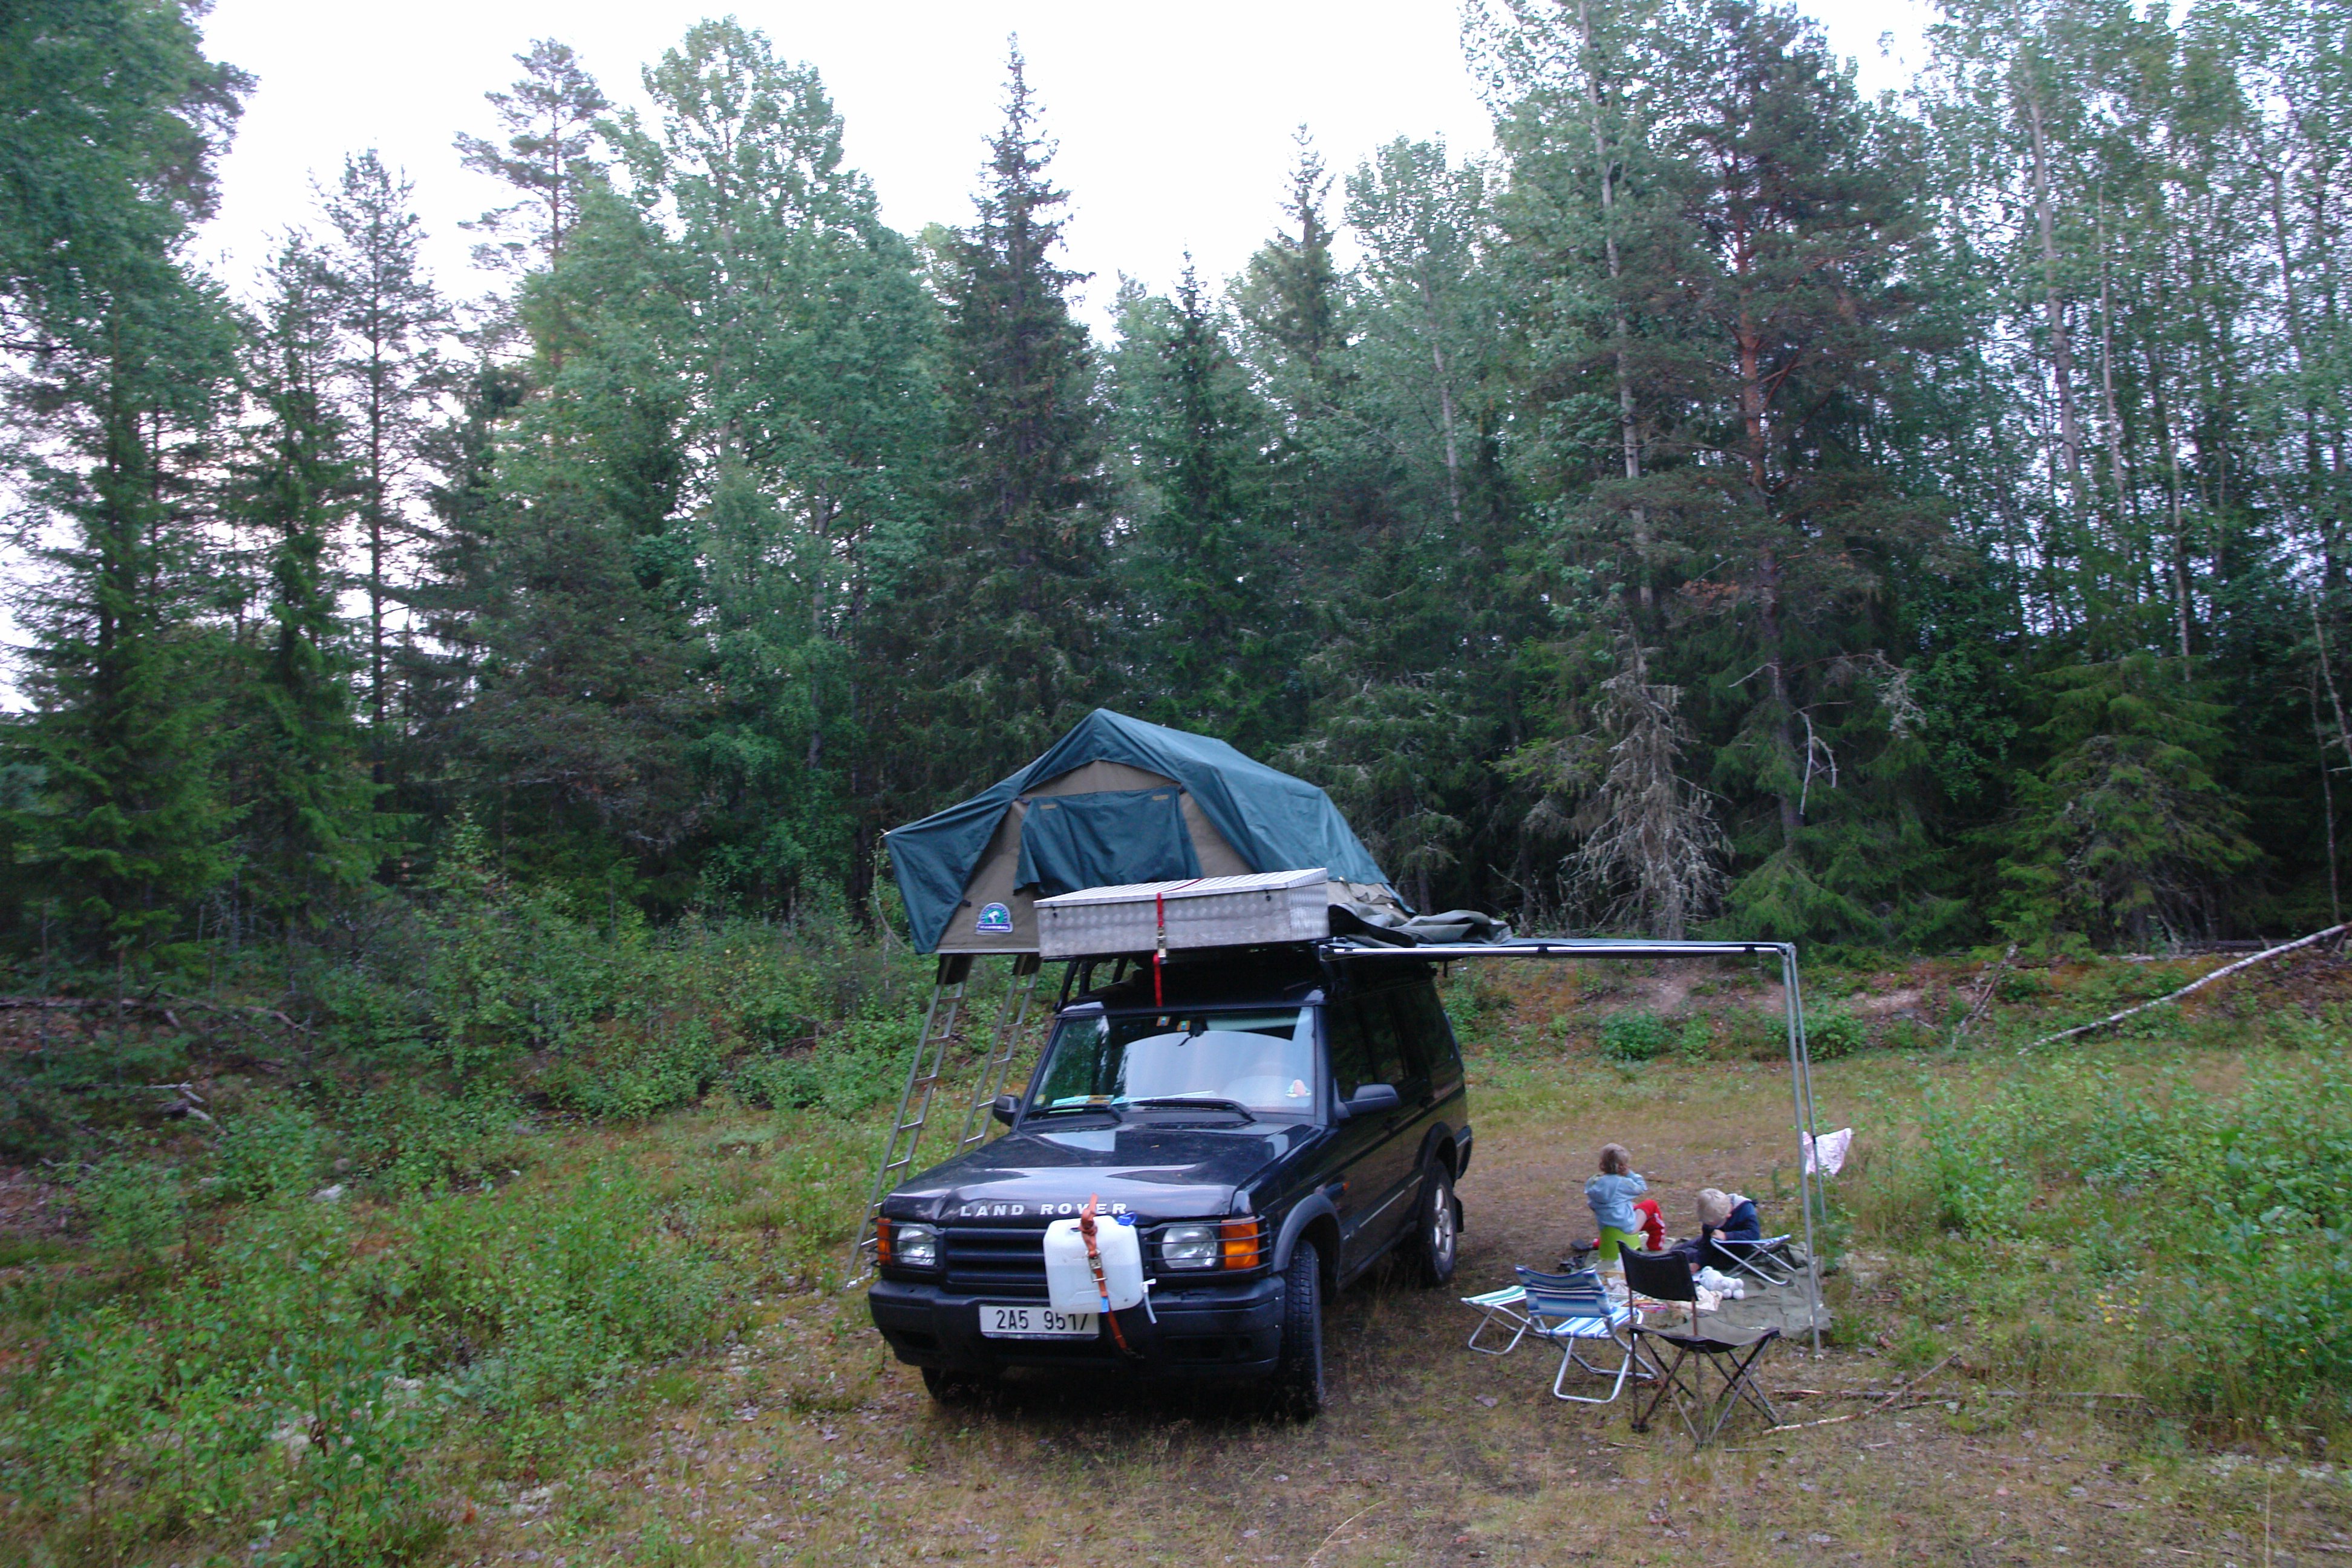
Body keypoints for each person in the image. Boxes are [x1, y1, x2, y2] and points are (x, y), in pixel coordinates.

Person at [1582, 1143, 1648, 1266]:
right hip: (1627, 1228)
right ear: (1622, 1166)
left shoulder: (1593, 1182)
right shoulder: (1623, 1183)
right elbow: (1642, 1188)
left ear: (1602, 1164)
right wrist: (1630, 1174)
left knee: (1630, 1205)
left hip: (1605, 1226)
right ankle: (1656, 1243)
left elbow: (1592, 1204)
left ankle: (1604, 1243)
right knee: (1649, 1205)